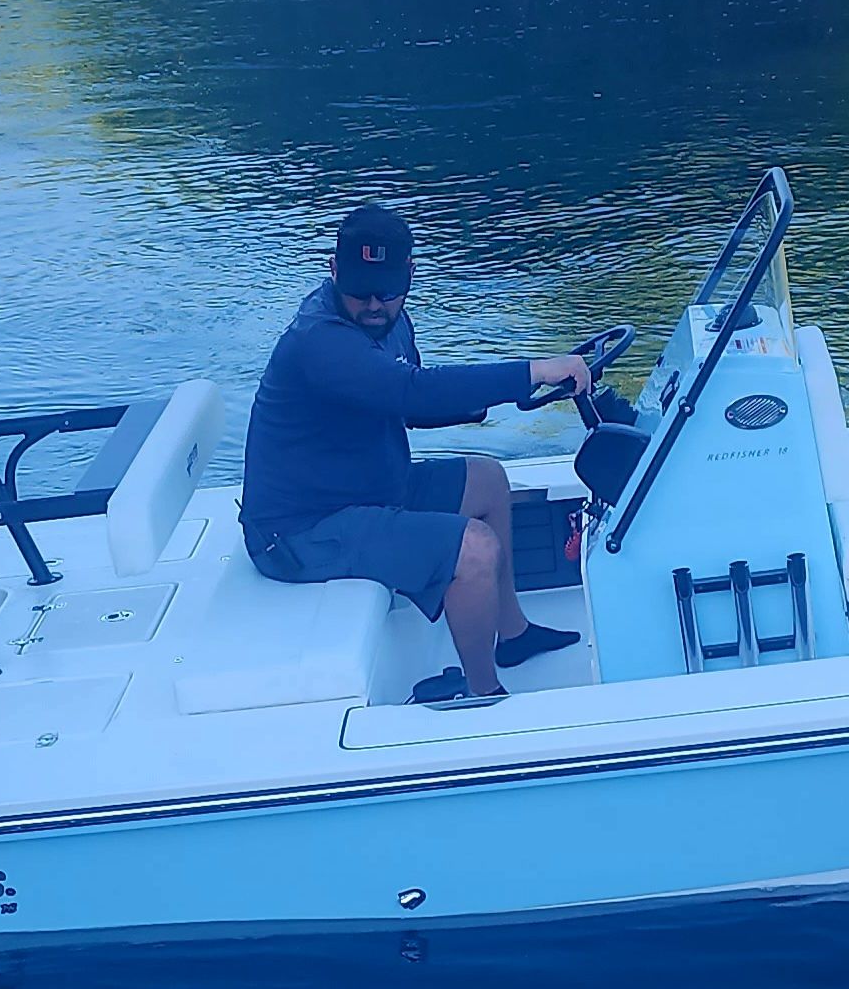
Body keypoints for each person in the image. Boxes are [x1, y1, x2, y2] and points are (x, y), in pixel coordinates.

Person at [240, 203, 593, 705]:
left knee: (488, 480)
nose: (373, 304)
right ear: (333, 269)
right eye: (359, 289)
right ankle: (482, 693)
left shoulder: (389, 322)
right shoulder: (319, 340)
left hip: (364, 487)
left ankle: (512, 633)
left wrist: (477, 404)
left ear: (409, 273)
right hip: (301, 531)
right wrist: (532, 370)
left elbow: (404, 402)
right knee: (474, 549)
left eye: (387, 291)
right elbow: (411, 391)